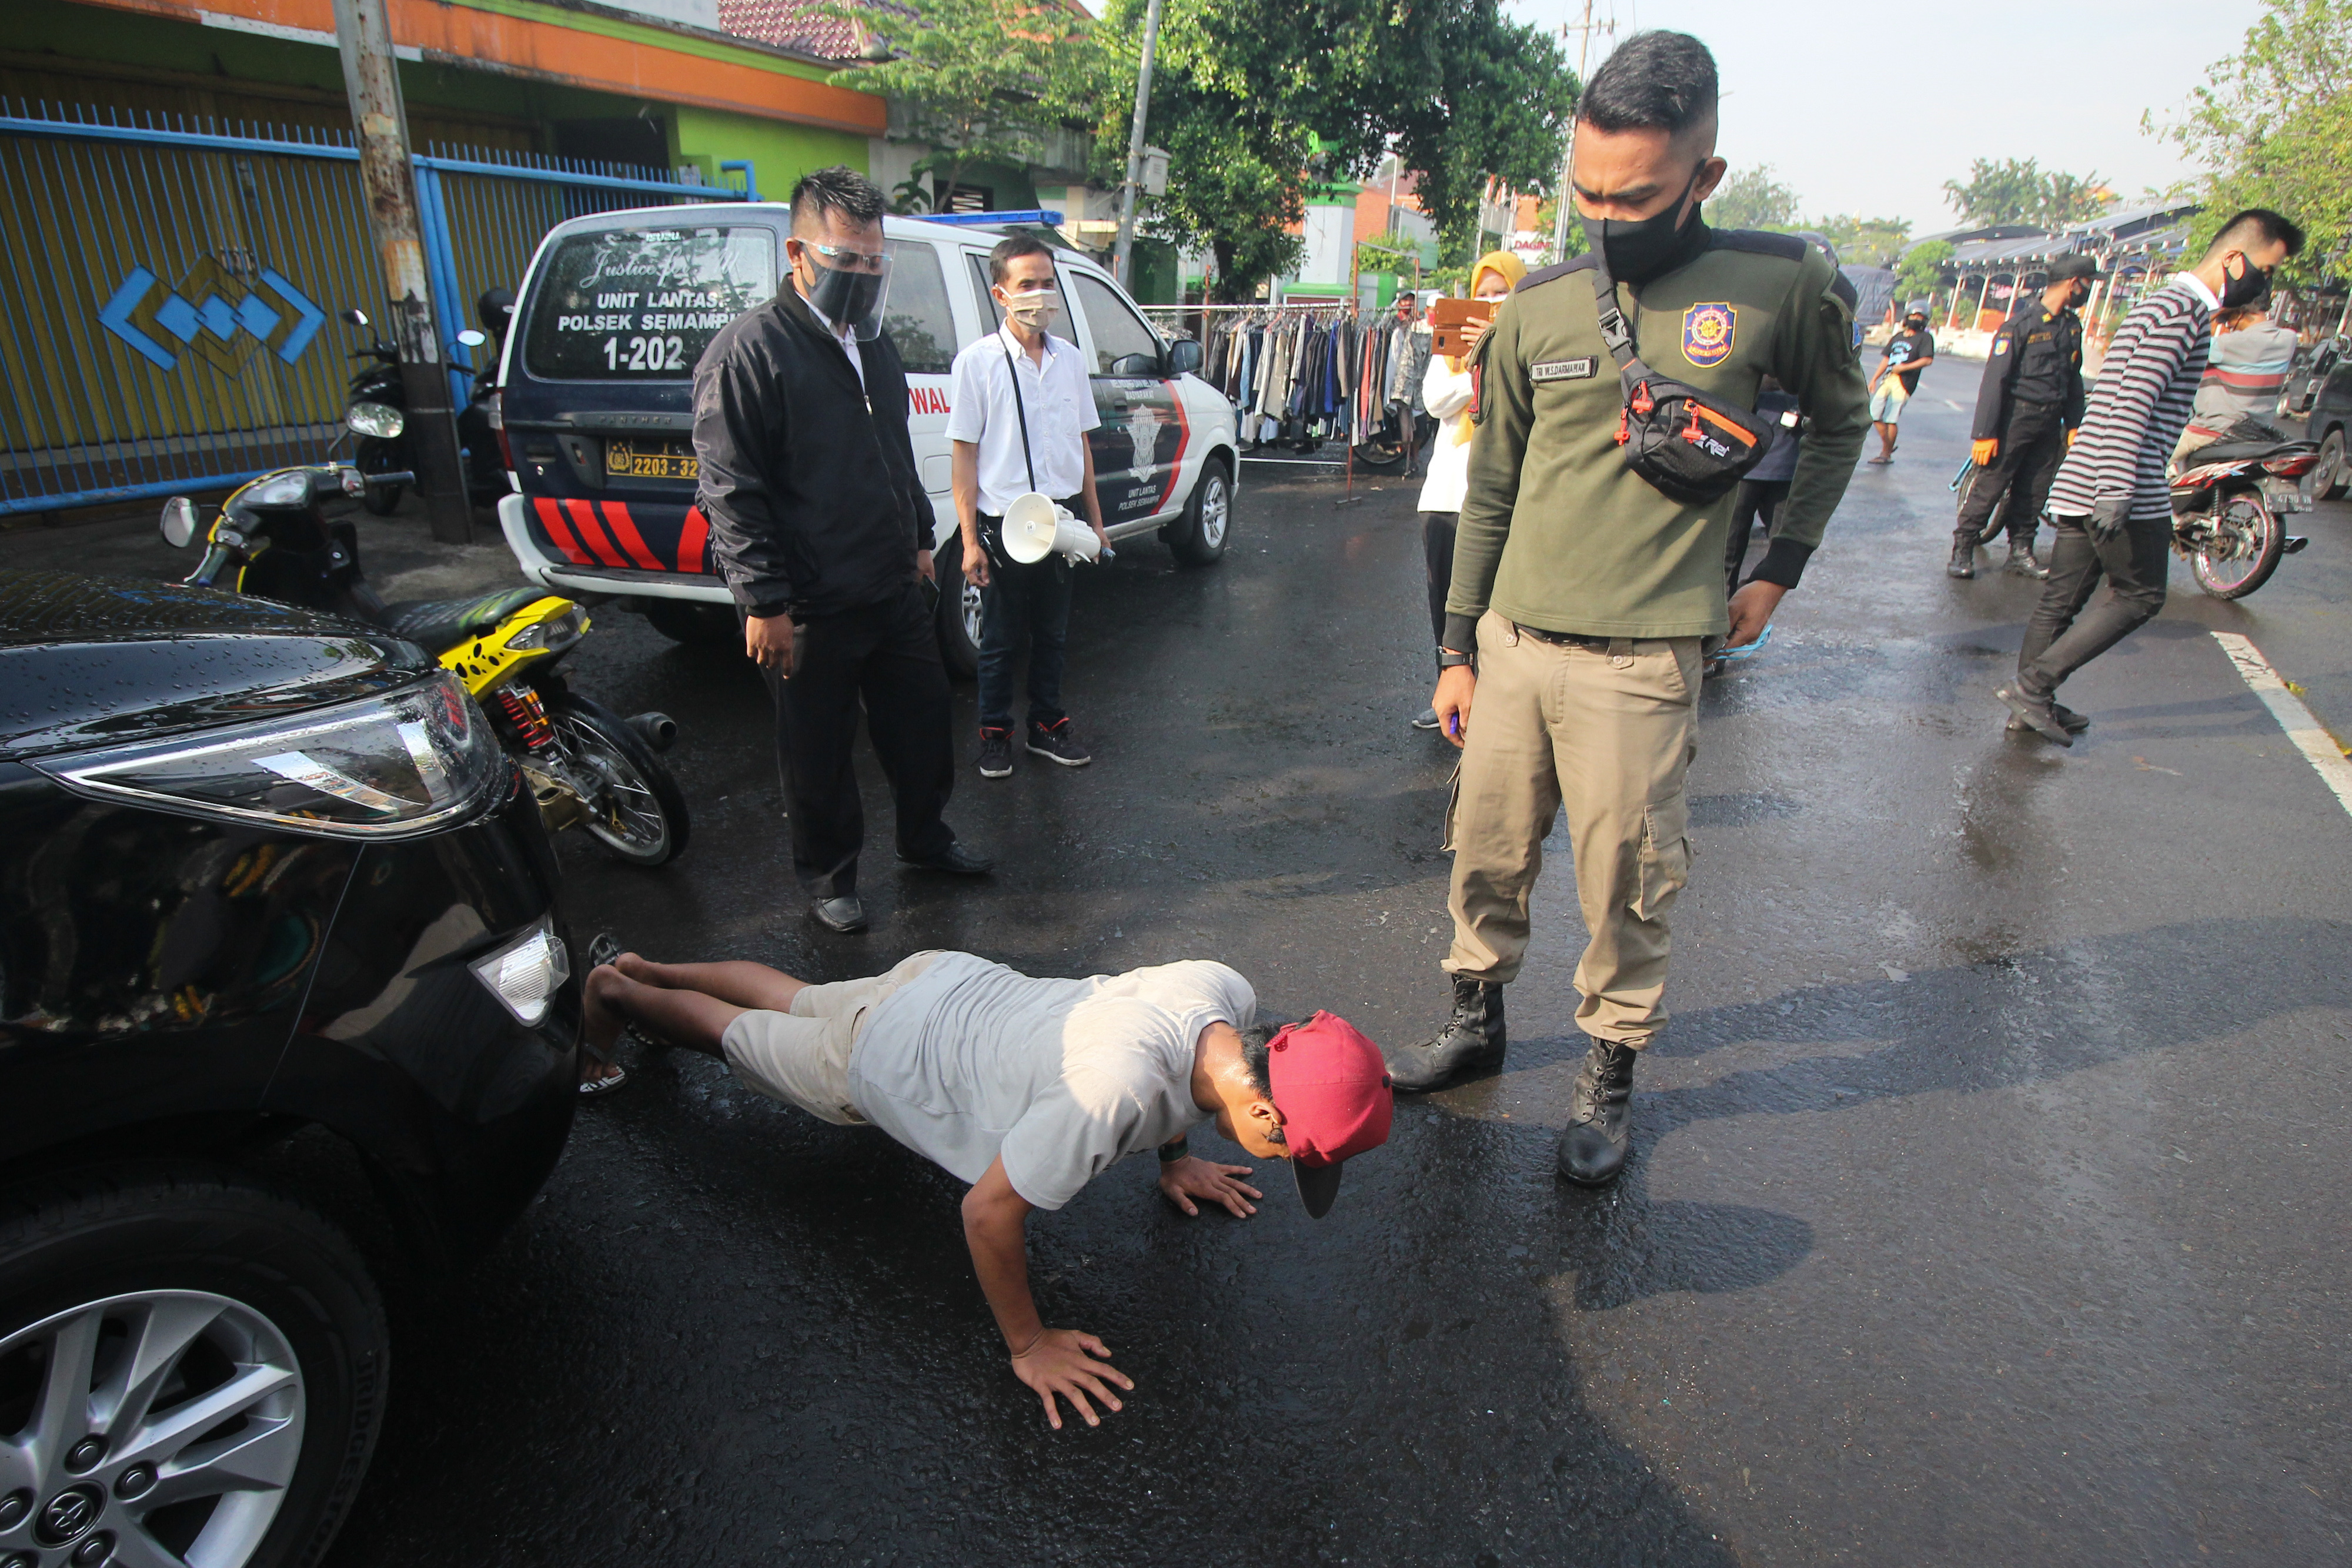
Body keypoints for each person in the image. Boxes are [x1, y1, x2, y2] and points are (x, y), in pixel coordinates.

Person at [1385, 30, 1868, 1188]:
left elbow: (1840, 423)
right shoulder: (1543, 306)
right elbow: (1491, 482)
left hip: (1643, 660)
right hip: (1509, 647)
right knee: (1485, 858)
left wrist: (1777, 566)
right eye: (1586, 190)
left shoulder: (1775, 285)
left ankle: (1608, 1072)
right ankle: (1474, 1018)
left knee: (1624, 881)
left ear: (1703, 174)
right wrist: (1455, 649)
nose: (1606, 215)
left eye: (1635, 195)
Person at [579, 944, 1394, 1428]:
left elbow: (1181, 1069)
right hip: (894, 1060)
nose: (1287, 1165)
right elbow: (987, 1212)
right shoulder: (1109, 1094)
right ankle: (616, 992)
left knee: (793, 995)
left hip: (946, 980)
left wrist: (1174, 1158)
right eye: (1293, 1152)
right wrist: (1030, 1344)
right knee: (739, 1034)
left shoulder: (1225, 993)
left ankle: (648, 959)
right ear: (1262, 1106)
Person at [693, 166, 993, 937]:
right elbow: (732, 489)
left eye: (873, 262)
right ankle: (830, 876)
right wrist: (763, 602)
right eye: (845, 260)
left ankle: (926, 838)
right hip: (808, 602)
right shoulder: (749, 353)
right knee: (818, 752)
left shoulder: (874, 345)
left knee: (924, 723)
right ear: (799, 252)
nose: (861, 277)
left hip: (891, 583)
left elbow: (892, 451)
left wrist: (923, 542)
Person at [1999, 209, 2304, 746]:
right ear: (2235, 259)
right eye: (2266, 269)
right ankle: (2035, 686)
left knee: (2060, 603)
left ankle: (2031, 703)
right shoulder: (2185, 311)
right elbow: (2133, 404)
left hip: (2086, 475)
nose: (2265, 284)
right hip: (2124, 480)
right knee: (2140, 596)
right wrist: (2117, 489)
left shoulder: (2158, 302)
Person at [946, 235, 1109, 779]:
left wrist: (1097, 524)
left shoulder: (1070, 360)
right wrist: (970, 540)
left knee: (1055, 634)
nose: (1040, 295)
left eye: (1046, 282)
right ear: (1000, 293)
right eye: (1026, 285)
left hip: (1061, 521)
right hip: (1005, 524)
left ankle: (1046, 727)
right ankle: (996, 735)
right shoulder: (977, 363)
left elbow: (1081, 444)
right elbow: (964, 458)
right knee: (1000, 639)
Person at [1410, 251, 1526, 730]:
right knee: (1445, 603)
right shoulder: (1451, 345)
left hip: (1503, 501)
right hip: (1444, 496)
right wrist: (1483, 364)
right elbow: (1436, 400)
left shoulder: (1528, 343)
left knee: (1498, 611)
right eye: (1485, 292)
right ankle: (1450, 697)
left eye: (1503, 292)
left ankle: (1494, 708)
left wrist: (1499, 357)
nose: (1492, 300)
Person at [1950, 255, 2096, 580]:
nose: (2088, 291)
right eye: (2087, 284)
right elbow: (1994, 381)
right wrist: (1985, 433)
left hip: (2050, 422)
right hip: (2015, 419)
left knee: (2035, 489)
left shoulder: (2071, 326)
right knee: (1991, 486)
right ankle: (1962, 548)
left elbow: (2074, 379)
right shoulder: (2020, 326)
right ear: (2074, 283)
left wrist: (2075, 425)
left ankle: (2020, 551)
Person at [2173, 286, 2300, 462]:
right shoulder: (2288, 340)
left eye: (2227, 318)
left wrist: (2213, 312)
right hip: (2259, 435)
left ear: (2242, 311)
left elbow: (2179, 346)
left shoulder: (2228, 345)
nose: (2227, 324)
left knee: (2148, 461)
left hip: (2212, 431)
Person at [1726, 375, 1801, 595]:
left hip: (1785, 467)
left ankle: (1751, 600)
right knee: (1730, 551)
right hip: (1745, 467)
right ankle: (1725, 610)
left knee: (1782, 551)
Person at [1865, 300, 1936, 464]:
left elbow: (1927, 360)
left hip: (1904, 382)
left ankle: (1886, 453)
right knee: (1874, 415)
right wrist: (1875, 378)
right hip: (1888, 378)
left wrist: (1904, 368)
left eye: (1920, 316)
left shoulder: (1925, 338)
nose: (1916, 319)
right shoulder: (1898, 337)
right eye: (1914, 315)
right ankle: (1889, 446)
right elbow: (1886, 359)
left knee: (1891, 418)